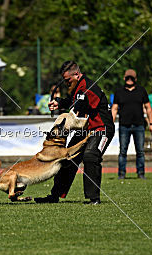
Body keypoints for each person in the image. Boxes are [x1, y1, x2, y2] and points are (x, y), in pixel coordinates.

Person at [34, 60, 115, 205]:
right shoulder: (78, 87)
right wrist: (59, 102)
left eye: (68, 80)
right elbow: (73, 101)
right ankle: (54, 196)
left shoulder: (89, 87)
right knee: (67, 158)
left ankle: (93, 198)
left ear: (76, 74)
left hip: (102, 129)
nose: (66, 83)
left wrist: (64, 110)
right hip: (86, 130)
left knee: (91, 156)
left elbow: (80, 106)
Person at [111, 69, 152, 180]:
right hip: (124, 126)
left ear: (135, 79)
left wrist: (151, 123)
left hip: (139, 125)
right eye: (127, 78)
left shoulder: (141, 91)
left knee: (140, 151)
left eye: (131, 78)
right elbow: (114, 109)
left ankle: (141, 173)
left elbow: (148, 108)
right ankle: (121, 174)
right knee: (122, 151)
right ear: (124, 78)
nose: (129, 80)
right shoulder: (119, 92)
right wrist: (110, 124)